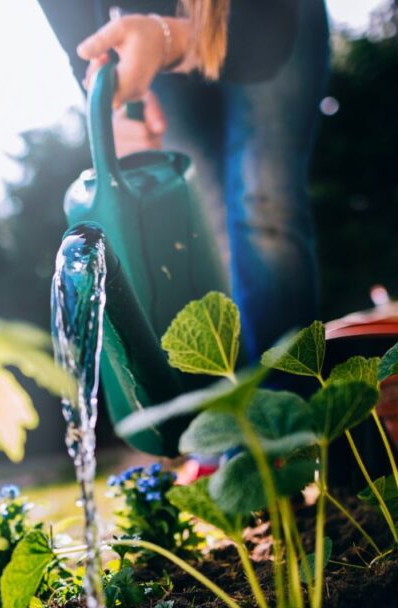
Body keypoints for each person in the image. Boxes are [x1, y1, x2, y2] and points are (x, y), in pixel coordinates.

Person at [38, 0, 330, 359]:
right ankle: (240, 398)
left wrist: (168, 38)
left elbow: (265, 41)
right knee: (205, 227)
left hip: (262, 19)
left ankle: (292, 398)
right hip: (149, 43)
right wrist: (112, 106)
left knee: (264, 205)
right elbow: (78, 38)